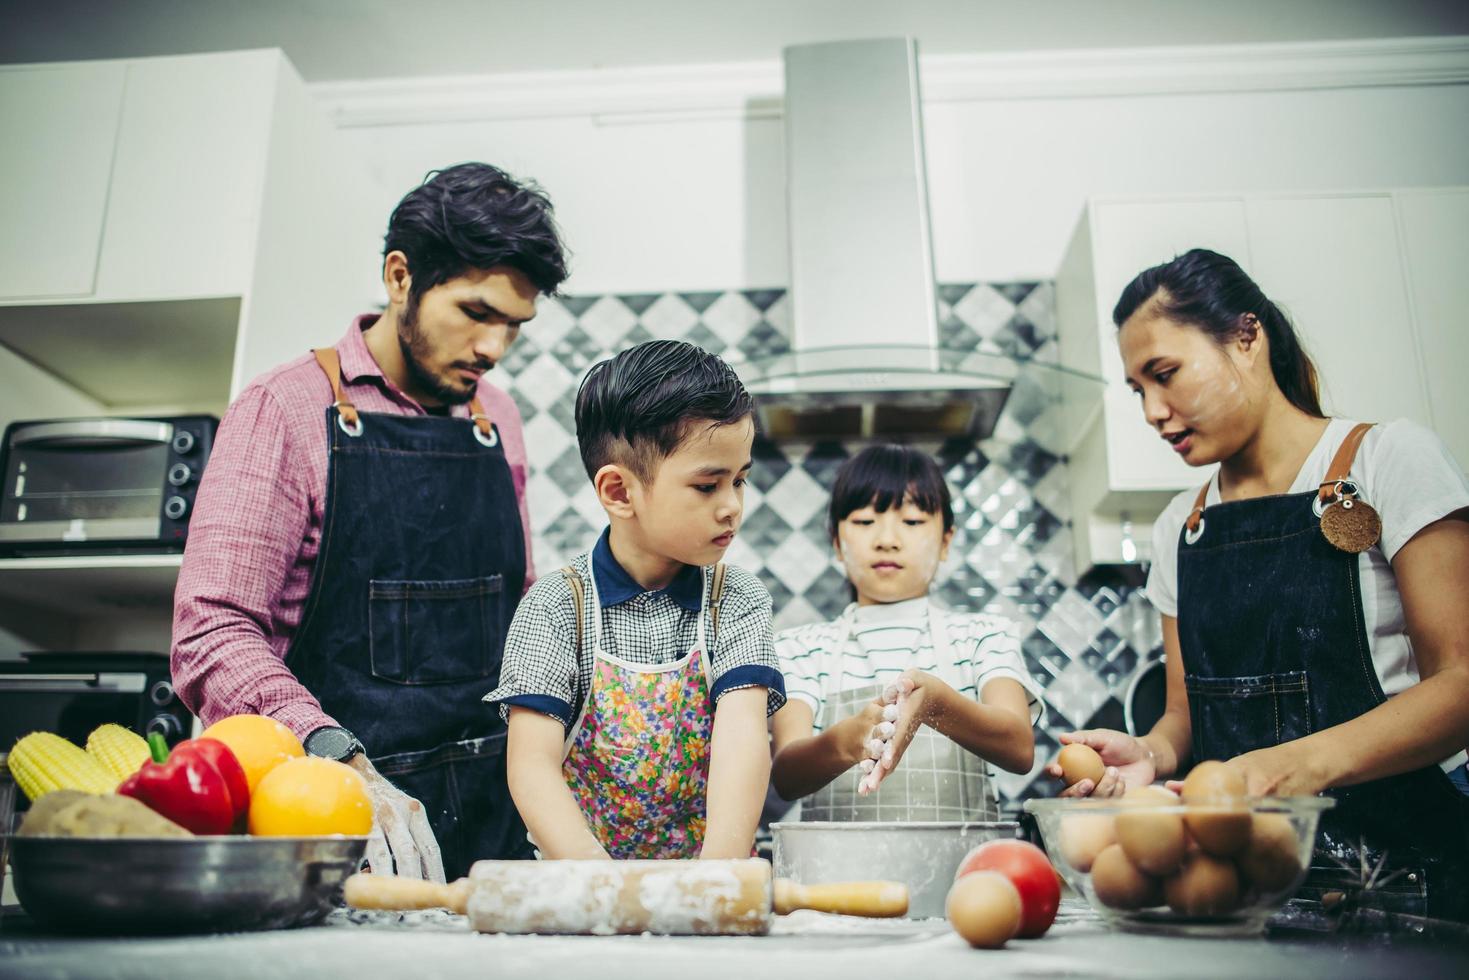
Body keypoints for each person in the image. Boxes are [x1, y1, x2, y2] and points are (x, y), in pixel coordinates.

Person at [172, 162, 569, 881]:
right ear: (398, 277)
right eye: (476, 313)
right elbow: (211, 634)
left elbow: (516, 620)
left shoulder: (498, 419)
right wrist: (335, 756)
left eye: (514, 326)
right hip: (325, 825)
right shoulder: (285, 409)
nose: (493, 349)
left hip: (488, 828)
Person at [1047, 248, 1469, 924]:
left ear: (1246, 337)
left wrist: (1288, 769)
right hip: (1244, 893)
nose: (1153, 412)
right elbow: (1185, 716)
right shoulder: (1176, 529)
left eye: (1165, 374)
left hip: (1410, 881)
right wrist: (1149, 755)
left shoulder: (1388, 459)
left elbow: (1459, 683)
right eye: (1137, 391)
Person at [487, 340, 784, 859]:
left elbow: (743, 739)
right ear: (619, 492)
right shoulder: (557, 607)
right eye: (707, 485)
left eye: (740, 480)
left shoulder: (735, 599)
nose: (732, 506)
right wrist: (602, 886)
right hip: (586, 894)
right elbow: (531, 767)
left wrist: (716, 876)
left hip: (705, 886)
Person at [769, 445, 1041, 822]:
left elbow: (1019, 747)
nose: (887, 539)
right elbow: (786, 775)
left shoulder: (983, 637)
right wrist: (847, 740)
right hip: (838, 879)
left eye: (912, 522)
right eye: (865, 522)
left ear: (946, 541)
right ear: (836, 543)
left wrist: (937, 705)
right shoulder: (800, 649)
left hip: (965, 875)